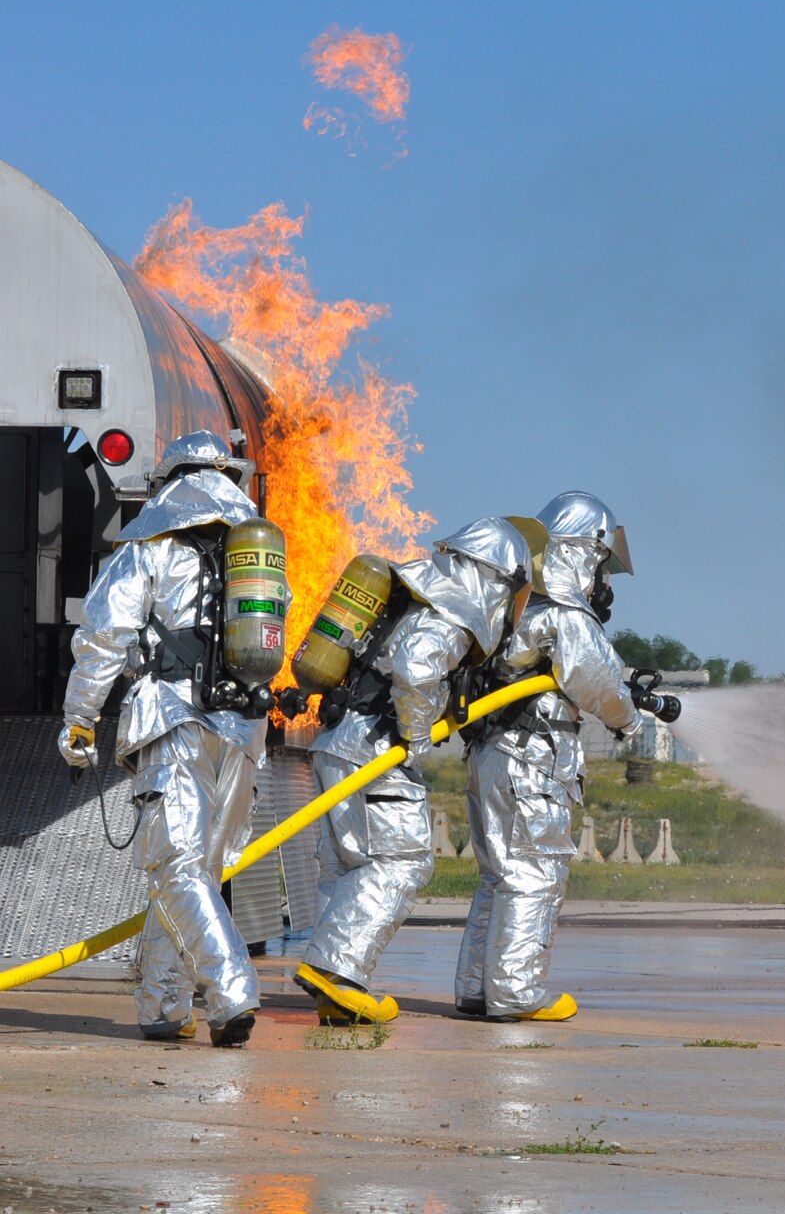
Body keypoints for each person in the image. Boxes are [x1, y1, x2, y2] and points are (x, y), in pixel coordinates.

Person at [58, 431, 286, 1047]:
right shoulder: (254, 549)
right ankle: (162, 1006)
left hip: (174, 720)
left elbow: (103, 638)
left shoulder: (149, 548)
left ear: (170, 481)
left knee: (178, 866)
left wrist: (79, 719)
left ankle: (231, 991)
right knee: (191, 873)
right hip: (243, 729)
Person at [292, 517, 535, 1025]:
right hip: (376, 746)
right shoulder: (454, 611)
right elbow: (416, 665)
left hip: (336, 741)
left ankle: (335, 993)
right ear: (495, 578)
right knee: (402, 862)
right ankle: (334, 971)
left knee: (349, 866)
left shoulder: (414, 597)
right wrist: (418, 732)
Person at [455, 491, 640, 1021]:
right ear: (584, 553)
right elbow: (600, 685)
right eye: (601, 566)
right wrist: (629, 717)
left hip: (495, 754)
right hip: (532, 759)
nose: (602, 582)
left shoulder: (517, 606)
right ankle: (514, 993)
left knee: (500, 874)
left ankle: (477, 987)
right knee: (534, 874)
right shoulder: (564, 614)